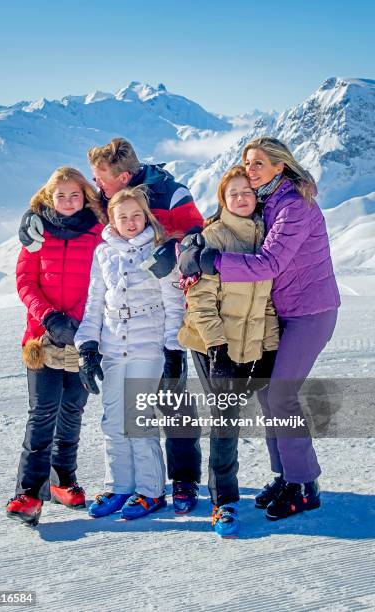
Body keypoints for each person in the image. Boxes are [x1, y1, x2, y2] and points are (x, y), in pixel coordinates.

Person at [19, 138, 204, 514]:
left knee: (168, 405)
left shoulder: (172, 193)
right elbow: (73, 211)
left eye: (100, 179)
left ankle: (179, 481)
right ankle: (123, 485)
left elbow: (198, 234)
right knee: (116, 418)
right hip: (116, 337)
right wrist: (33, 216)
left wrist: (178, 248)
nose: (96, 186)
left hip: (163, 324)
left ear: (122, 178)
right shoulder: (108, 207)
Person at [179, 137, 341, 521]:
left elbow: (268, 263)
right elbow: (234, 222)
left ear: (279, 166)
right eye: (247, 163)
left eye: (258, 164)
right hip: (286, 311)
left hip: (311, 313)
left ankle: (304, 486)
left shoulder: (294, 207)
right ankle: (286, 476)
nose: (250, 171)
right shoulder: (269, 200)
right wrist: (194, 240)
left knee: (282, 396)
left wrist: (211, 261)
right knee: (271, 398)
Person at [178, 166, 279, 537]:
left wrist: (268, 350)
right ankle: (224, 502)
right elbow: (199, 302)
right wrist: (218, 349)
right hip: (211, 345)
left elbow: (267, 303)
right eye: (232, 193)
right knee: (226, 418)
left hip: (247, 345)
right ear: (223, 199)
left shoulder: (266, 239)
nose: (241, 198)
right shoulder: (213, 237)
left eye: (246, 192)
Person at [74, 186, 186, 520]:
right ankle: (120, 485)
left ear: (146, 215)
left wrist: (173, 350)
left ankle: (150, 491)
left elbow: (173, 302)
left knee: (138, 420)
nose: (131, 222)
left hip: (147, 345)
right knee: (112, 420)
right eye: (123, 217)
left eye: (137, 214)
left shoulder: (158, 250)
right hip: (112, 346)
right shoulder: (103, 254)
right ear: (112, 220)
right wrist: (88, 346)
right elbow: (94, 301)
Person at [6, 168, 106, 526]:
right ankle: (29, 492)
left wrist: (78, 323)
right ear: (49, 197)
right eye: (59, 195)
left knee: (72, 410)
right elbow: (25, 281)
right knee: (42, 412)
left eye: (74, 195)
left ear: (85, 196)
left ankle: (64, 479)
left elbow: (101, 282)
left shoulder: (98, 232)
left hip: (82, 334)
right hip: (42, 337)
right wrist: (50, 317)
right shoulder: (36, 232)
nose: (67, 202)